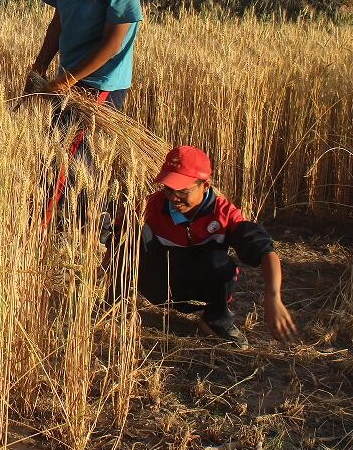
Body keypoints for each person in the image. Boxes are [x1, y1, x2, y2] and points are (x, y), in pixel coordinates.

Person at [109, 145, 299, 348]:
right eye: (168, 188)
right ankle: (112, 305)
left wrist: (273, 297)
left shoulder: (225, 214)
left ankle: (215, 321)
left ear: (205, 185)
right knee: (132, 234)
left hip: (199, 289)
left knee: (220, 263)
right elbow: (115, 239)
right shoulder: (151, 206)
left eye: (182, 190)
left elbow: (265, 251)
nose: (173, 197)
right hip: (158, 287)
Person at [25, 0, 143, 232]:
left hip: (102, 82)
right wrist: (39, 66)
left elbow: (112, 45)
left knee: (74, 155)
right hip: (68, 76)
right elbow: (58, 22)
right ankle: (71, 223)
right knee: (60, 152)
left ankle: (86, 227)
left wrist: (67, 80)